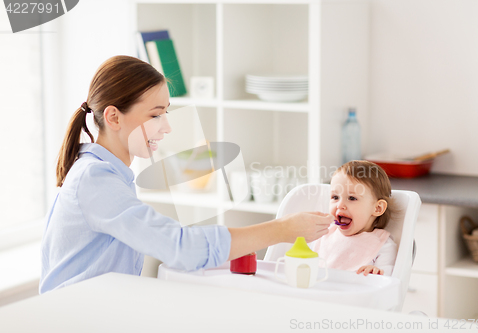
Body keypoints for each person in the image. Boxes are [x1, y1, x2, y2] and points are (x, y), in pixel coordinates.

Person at [39, 55, 333, 293]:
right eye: (155, 114)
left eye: (166, 112)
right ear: (114, 117)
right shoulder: (96, 180)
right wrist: (284, 229)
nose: (166, 127)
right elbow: (180, 247)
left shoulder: (104, 174)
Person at [313, 160, 397, 276]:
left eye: (352, 198)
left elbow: (387, 283)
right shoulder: (324, 234)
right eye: (335, 197)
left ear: (377, 208)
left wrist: (375, 273)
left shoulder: (383, 245)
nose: (340, 205)